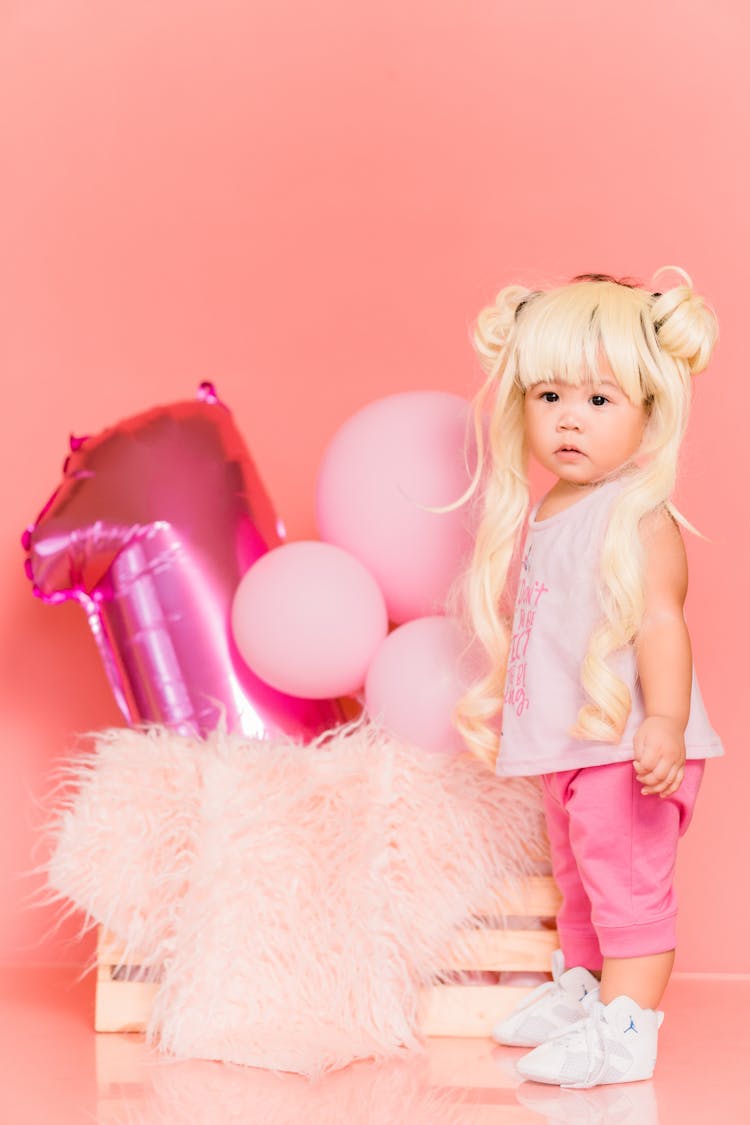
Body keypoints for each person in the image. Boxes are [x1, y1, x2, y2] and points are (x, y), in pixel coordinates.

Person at [454, 271, 724, 1088]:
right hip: (570, 743)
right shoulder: (554, 505)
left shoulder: (636, 513)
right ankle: (585, 992)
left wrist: (666, 721)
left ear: (650, 408)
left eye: (601, 399)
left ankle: (628, 1028)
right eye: (549, 395)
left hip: (626, 746)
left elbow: (663, 621)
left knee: (628, 888)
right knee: (577, 879)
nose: (571, 417)